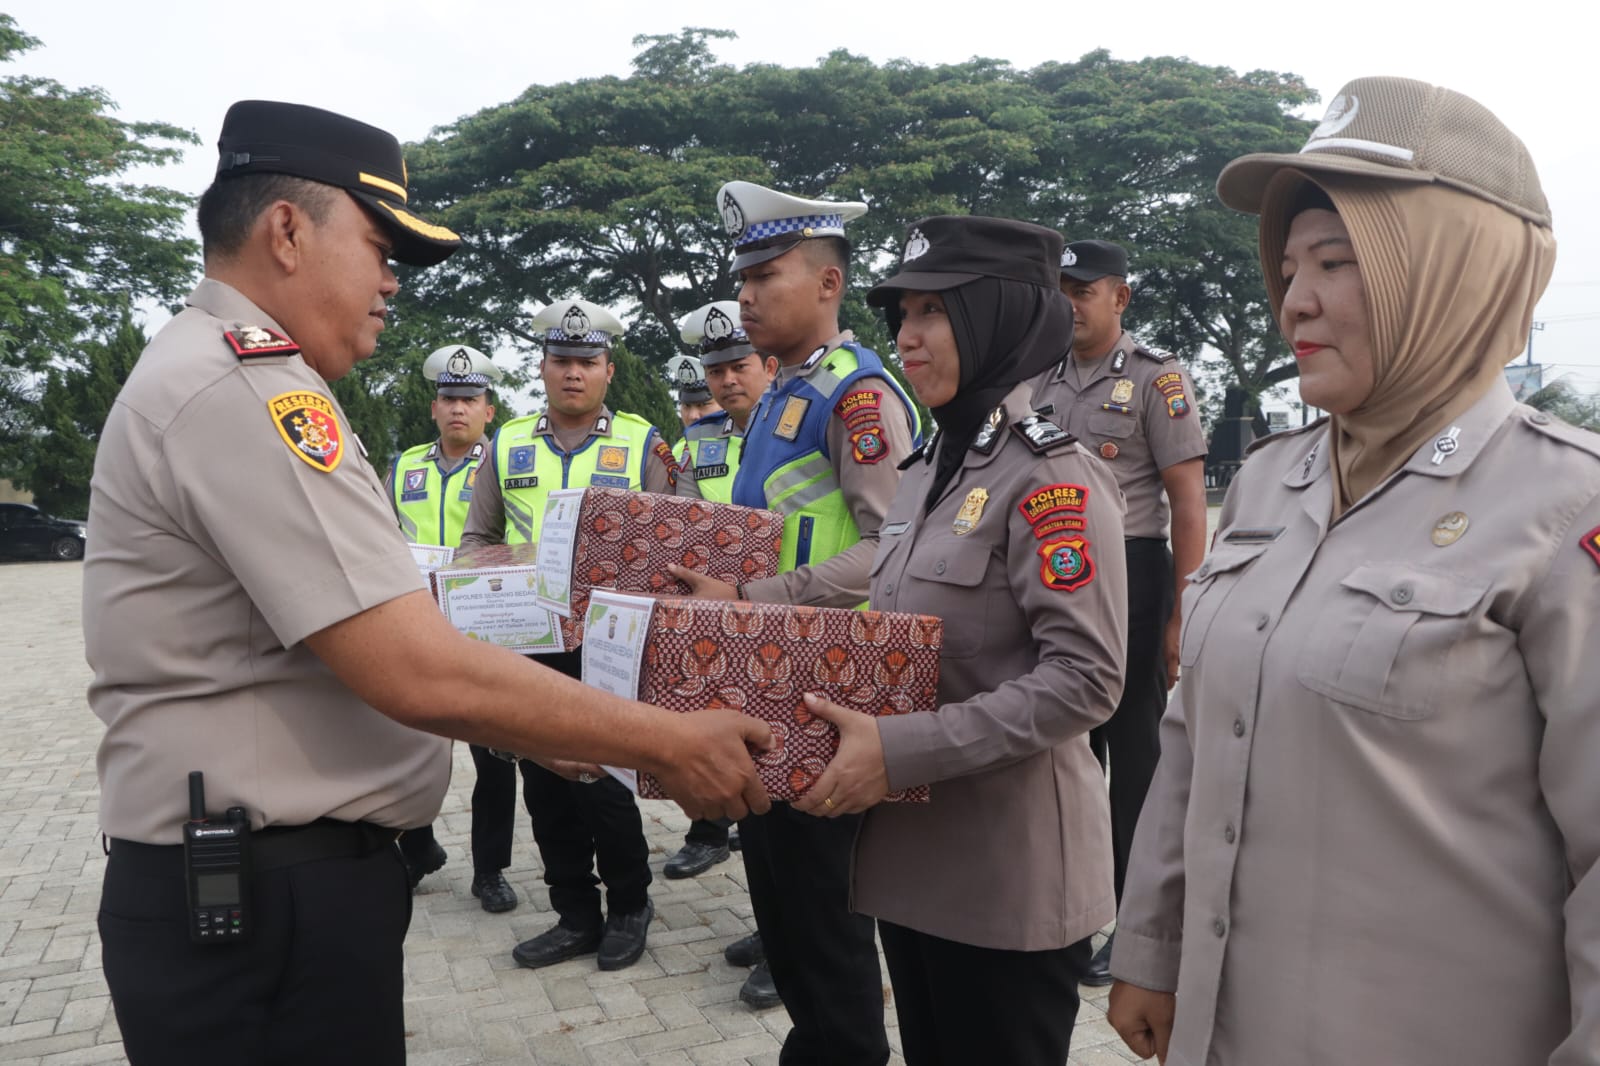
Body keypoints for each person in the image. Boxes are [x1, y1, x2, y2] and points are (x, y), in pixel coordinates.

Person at [84, 100, 770, 1066]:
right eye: (377, 246)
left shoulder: (217, 372)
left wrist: (551, 728)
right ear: (287, 231)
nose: (391, 283)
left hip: (266, 876)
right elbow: (408, 666)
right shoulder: (246, 390)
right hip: (269, 888)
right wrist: (666, 740)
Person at [1107, 77, 1597, 1065]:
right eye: (1288, 267)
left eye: (1338, 261)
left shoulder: (1564, 510)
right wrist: (1151, 943)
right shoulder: (1270, 480)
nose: (1297, 299)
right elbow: (1194, 731)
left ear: (1459, 271)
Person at [789, 214, 1127, 1065]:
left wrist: (897, 749)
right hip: (916, 866)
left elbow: (1086, 681)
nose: (906, 337)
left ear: (998, 318)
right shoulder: (926, 470)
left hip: (1008, 882)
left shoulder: (1052, 475)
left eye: (933, 312)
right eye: (902, 315)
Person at [671, 181, 921, 1063]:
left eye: (765, 274)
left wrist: (749, 600)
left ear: (826, 283)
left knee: (823, 921)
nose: (744, 294)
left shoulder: (856, 398)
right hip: (773, 683)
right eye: (740, 275)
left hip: (828, 693)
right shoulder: (783, 396)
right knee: (783, 909)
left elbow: (893, 552)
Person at [459, 297, 678, 972]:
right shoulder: (508, 444)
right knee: (546, 788)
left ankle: (631, 907)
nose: (573, 373)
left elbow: (674, 549)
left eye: (587, 362)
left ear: (609, 370)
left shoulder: (644, 444)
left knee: (606, 784)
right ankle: (574, 914)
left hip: (612, 648)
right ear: (543, 368)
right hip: (532, 648)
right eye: (561, 361)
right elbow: (476, 540)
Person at [1031, 239, 1209, 984]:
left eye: (1083, 289)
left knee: (1134, 752)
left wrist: (1182, 612)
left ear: (1119, 298)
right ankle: (1072, 910)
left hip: (1134, 574)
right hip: (1054, 571)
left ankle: (1136, 924)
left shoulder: (1155, 379)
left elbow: (1188, 499)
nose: (1069, 301)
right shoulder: (1039, 377)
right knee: (1067, 748)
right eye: (1061, 288)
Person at [668, 299, 783, 1008]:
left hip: (792, 625)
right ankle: (772, 926)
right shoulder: (700, 444)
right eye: (715, 370)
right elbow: (681, 521)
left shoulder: (799, 432)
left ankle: (796, 942)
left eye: (739, 365)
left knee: (797, 802)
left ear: (768, 365)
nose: (727, 381)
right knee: (755, 804)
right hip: (724, 635)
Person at [386, 343, 519, 913]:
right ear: (433, 408)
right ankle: (417, 847)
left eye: (470, 399)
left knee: (493, 755)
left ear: (490, 409)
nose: (458, 408)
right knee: (400, 743)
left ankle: (489, 870)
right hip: (413, 625)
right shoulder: (403, 467)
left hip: (480, 627)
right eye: (448, 398)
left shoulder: (504, 463)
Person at [668, 352, 724, 430]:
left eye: (703, 405)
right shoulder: (681, 443)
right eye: (686, 406)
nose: (693, 416)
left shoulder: (743, 441)